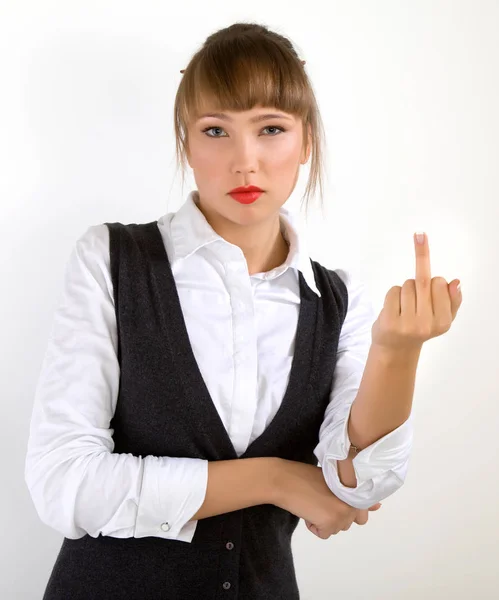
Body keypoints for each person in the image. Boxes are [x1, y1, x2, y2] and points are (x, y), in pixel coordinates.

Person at [25, 21, 413, 600]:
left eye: (271, 129)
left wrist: (398, 352)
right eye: (216, 131)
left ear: (305, 142)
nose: (245, 162)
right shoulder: (111, 260)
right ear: (186, 141)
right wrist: (272, 478)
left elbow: (354, 485)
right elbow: (64, 483)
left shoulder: (339, 301)